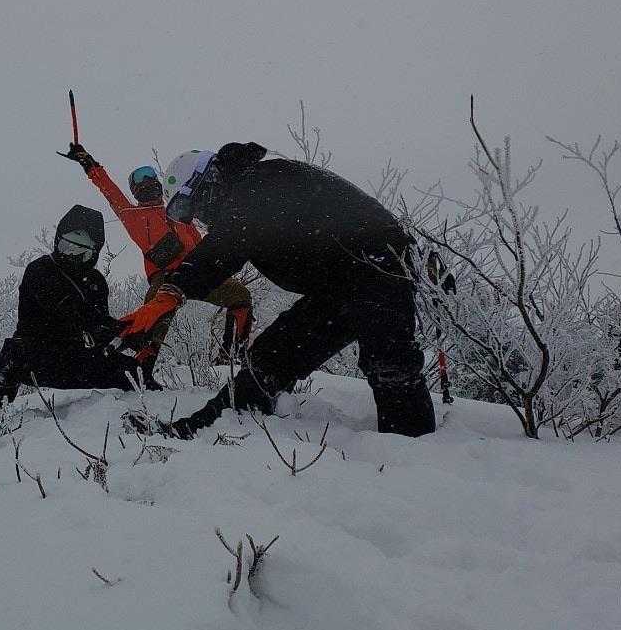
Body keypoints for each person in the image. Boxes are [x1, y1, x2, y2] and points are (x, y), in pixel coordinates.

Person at [119, 142, 435, 438]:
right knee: (271, 357)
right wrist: (174, 291)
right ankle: (204, 428)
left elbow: (222, 248)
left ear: (208, 184)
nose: (199, 217)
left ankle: (413, 457)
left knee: (390, 363)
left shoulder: (259, 182)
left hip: (379, 267)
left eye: (195, 206)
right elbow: (230, 240)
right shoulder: (247, 194)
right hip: (341, 286)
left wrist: (172, 292)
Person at [64, 144, 254, 384]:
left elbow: (201, 242)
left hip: (197, 271)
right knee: (154, 319)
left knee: (240, 296)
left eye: (150, 176)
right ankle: (141, 372)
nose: (147, 182)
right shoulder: (131, 214)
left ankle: (232, 356)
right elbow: (110, 191)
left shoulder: (179, 210)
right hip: (164, 277)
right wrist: (90, 165)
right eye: (140, 180)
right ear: (134, 191)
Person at [0, 205, 139, 423]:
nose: (70, 256)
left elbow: (98, 321)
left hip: (79, 359)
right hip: (39, 358)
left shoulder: (96, 282)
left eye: (80, 252)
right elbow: (64, 311)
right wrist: (103, 329)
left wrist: (130, 332)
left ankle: (151, 406)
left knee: (134, 371)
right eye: (66, 246)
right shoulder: (39, 270)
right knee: (13, 352)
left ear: (93, 253)